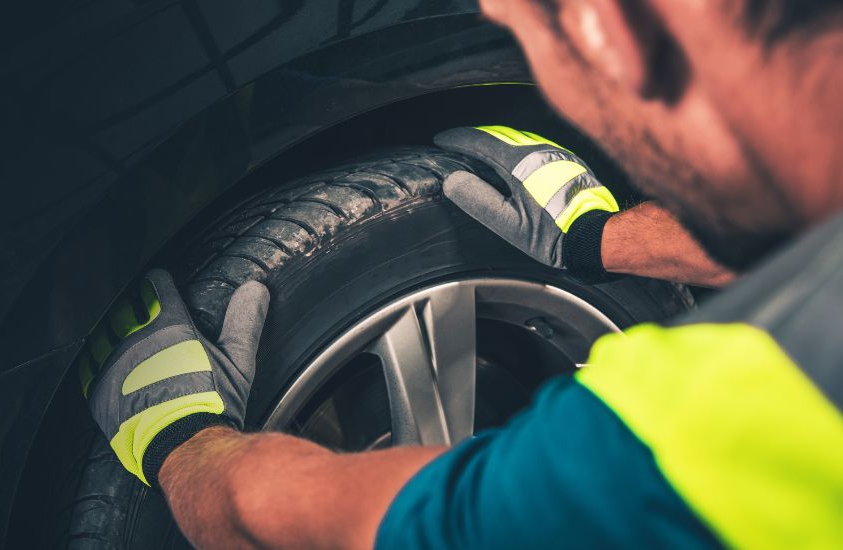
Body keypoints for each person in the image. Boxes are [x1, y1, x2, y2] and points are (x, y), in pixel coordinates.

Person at [81, 0, 843, 547]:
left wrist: (181, 440)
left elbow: (300, 525)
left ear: (608, 29)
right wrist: (600, 243)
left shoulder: (707, 439)